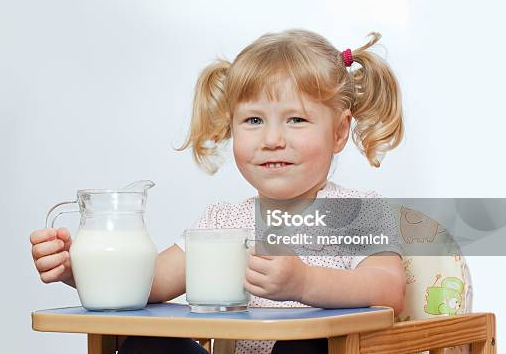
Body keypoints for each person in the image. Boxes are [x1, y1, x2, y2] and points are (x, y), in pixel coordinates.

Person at [30, 28, 407, 354]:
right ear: (231, 128)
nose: (272, 139)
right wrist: (78, 269)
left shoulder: (359, 211)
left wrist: (305, 283)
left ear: (339, 132)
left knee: (308, 343)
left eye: (296, 120)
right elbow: (151, 282)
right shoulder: (223, 222)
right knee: (147, 345)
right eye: (254, 120)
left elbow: (389, 288)